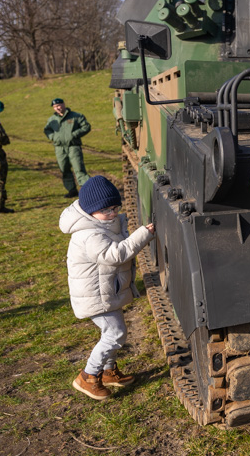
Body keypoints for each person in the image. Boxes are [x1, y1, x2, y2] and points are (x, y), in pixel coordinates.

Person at [59, 175, 156, 401]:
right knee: (115, 333)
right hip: (95, 296)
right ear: (90, 211)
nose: (112, 213)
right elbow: (114, 255)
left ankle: (109, 371)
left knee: (113, 331)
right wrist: (144, 235)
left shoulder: (102, 222)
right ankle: (88, 375)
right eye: (106, 210)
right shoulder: (89, 234)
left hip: (104, 291)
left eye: (115, 207)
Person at [44, 98, 91, 197]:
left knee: (78, 168)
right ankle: (71, 190)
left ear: (64, 105)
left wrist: (74, 134)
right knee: (64, 168)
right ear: (53, 108)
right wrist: (53, 137)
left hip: (73, 146)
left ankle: (87, 189)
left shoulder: (76, 116)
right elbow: (47, 130)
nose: (58, 108)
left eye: (60, 105)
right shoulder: (52, 120)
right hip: (59, 148)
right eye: (56, 106)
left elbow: (86, 126)